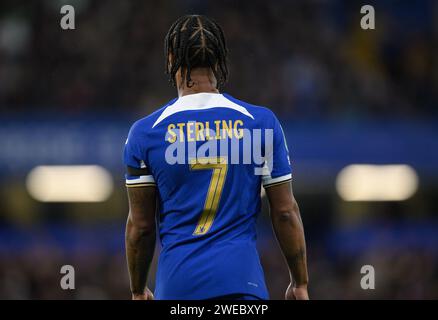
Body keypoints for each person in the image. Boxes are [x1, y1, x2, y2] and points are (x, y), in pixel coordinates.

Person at [124, 14, 308, 300]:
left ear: (171, 58)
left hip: (177, 290)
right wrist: (300, 282)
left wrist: (137, 290)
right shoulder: (260, 122)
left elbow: (141, 227)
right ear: (219, 59)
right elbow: (285, 212)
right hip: (243, 288)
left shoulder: (146, 132)